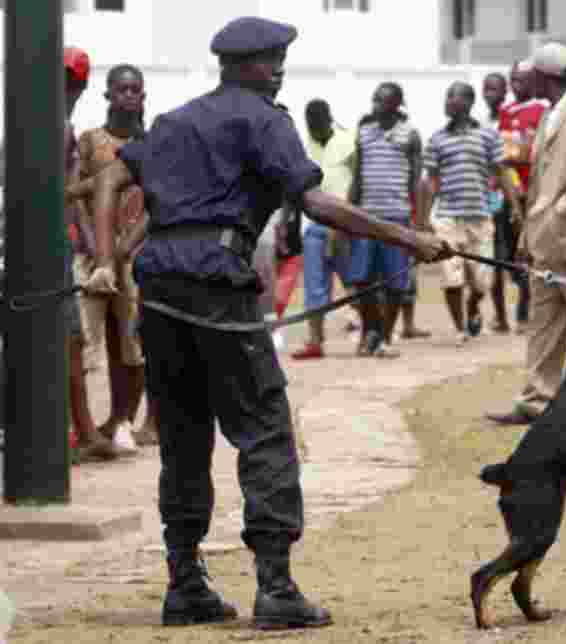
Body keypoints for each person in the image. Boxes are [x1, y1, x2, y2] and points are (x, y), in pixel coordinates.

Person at [69, 16, 448, 629]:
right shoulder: (265, 119)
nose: (279, 70)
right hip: (218, 281)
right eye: (272, 60)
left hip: (159, 285)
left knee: (184, 436)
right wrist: (407, 237)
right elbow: (316, 202)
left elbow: (110, 176)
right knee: (264, 429)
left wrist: (111, 257)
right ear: (245, 66)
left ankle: (185, 585)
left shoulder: (175, 120)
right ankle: (275, 587)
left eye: (280, 59)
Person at [486, 43, 566, 425]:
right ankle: (536, 401)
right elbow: (541, 181)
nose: (525, 81)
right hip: (545, 242)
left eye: (531, 76)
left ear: (545, 76)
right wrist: (528, 235)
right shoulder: (551, 115)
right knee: (543, 327)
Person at [76, 64, 153, 451]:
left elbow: (157, 203)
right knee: (85, 338)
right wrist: (95, 245)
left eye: (135, 89)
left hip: (136, 254)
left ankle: (123, 417)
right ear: (107, 94)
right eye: (121, 89)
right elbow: (76, 195)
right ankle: (88, 424)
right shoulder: (90, 141)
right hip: (94, 255)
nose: (128, 95)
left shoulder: (153, 143)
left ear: (143, 96)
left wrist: (127, 247)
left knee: (132, 343)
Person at [423, 82, 521, 343]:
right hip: (446, 217)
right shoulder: (436, 139)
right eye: (446, 96)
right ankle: (459, 328)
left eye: (451, 97)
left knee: (483, 282)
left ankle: (473, 305)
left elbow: (502, 173)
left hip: (479, 216)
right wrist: (422, 219)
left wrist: (515, 206)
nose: (446, 102)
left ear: (467, 102)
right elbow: (431, 181)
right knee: (451, 276)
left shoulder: (488, 136)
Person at [63, 47, 120, 462]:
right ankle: (78, 431)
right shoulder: (53, 126)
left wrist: (85, 237)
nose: (63, 89)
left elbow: (67, 192)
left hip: (65, 244)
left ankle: (82, 429)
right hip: (43, 248)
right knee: (67, 339)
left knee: (72, 340)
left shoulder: (61, 126)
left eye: (69, 82)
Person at [348, 82, 422, 357]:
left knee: (394, 281)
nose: (375, 105)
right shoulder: (364, 133)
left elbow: (416, 180)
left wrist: (418, 220)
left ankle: (386, 337)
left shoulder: (410, 135)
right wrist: (348, 214)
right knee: (362, 279)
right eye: (374, 100)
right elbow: (357, 178)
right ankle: (371, 331)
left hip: (397, 217)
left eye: (381, 100)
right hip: (366, 217)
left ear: (396, 104)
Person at [290, 99, 358, 360]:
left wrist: (348, 218)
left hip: (344, 226)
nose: (314, 130)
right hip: (314, 228)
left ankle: (372, 335)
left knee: (354, 281)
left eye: (318, 124)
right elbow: (295, 188)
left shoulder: (348, 142)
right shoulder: (304, 147)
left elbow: (357, 180)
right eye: (310, 125)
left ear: (329, 119)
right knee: (314, 287)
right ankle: (315, 342)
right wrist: (292, 224)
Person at [497, 59, 548, 332]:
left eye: (522, 79)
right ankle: (523, 296)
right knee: (511, 253)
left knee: (537, 252)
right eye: (513, 79)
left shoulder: (544, 110)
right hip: (514, 193)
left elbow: (537, 154)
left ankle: (530, 307)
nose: (517, 84)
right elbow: (505, 158)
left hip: (539, 192)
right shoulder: (506, 112)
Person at [480, 71, 517, 334]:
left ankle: (524, 309)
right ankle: (501, 315)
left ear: (505, 92)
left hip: (514, 195)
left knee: (518, 258)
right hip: (488, 198)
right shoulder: (481, 124)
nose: (491, 94)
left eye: (496, 89)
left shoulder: (511, 121)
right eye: (487, 89)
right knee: (495, 258)